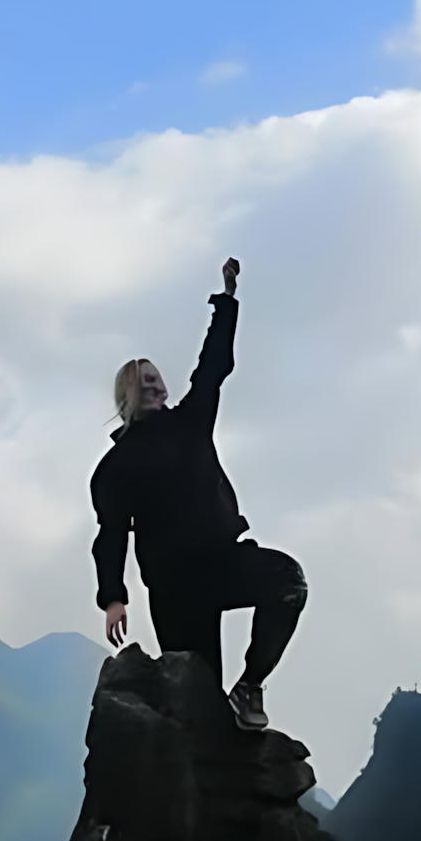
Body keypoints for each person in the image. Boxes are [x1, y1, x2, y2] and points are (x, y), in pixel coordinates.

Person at [90, 258, 307, 731]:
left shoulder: (190, 421)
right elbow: (111, 534)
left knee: (288, 581)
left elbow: (213, 366)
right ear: (124, 396)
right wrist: (113, 597)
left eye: (154, 376)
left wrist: (227, 300)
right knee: (198, 707)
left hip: (222, 561)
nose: (150, 383)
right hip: (174, 589)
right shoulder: (114, 468)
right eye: (139, 380)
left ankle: (250, 686)